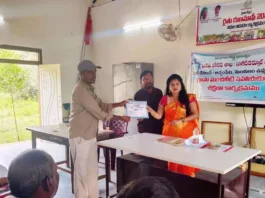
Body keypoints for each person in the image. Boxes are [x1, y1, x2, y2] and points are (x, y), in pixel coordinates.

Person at [69, 60, 130, 198]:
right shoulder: (80, 90)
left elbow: (102, 105)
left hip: (89, 136)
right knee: (81, 174)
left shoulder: (89, 90)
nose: (94, 75)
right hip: (80, 136)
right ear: (83, 74)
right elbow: (99, 113)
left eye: (95, 72)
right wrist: (120, 118)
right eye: (91, 72)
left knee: (92, 172)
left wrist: (119, 104)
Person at [147, 74, 200, 177]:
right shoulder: (164, 99)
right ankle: (174, 179)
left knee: (186, 159)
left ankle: (188, 180)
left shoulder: (189, 98)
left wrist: (181, 120)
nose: (175, 86)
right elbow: (158, 116)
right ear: (168, 86)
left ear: (181, 85)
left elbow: (195, 114)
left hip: (185, 134)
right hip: (169, 133)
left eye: (177, 84)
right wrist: (150, 110)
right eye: (172, 84)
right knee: (173, 159)